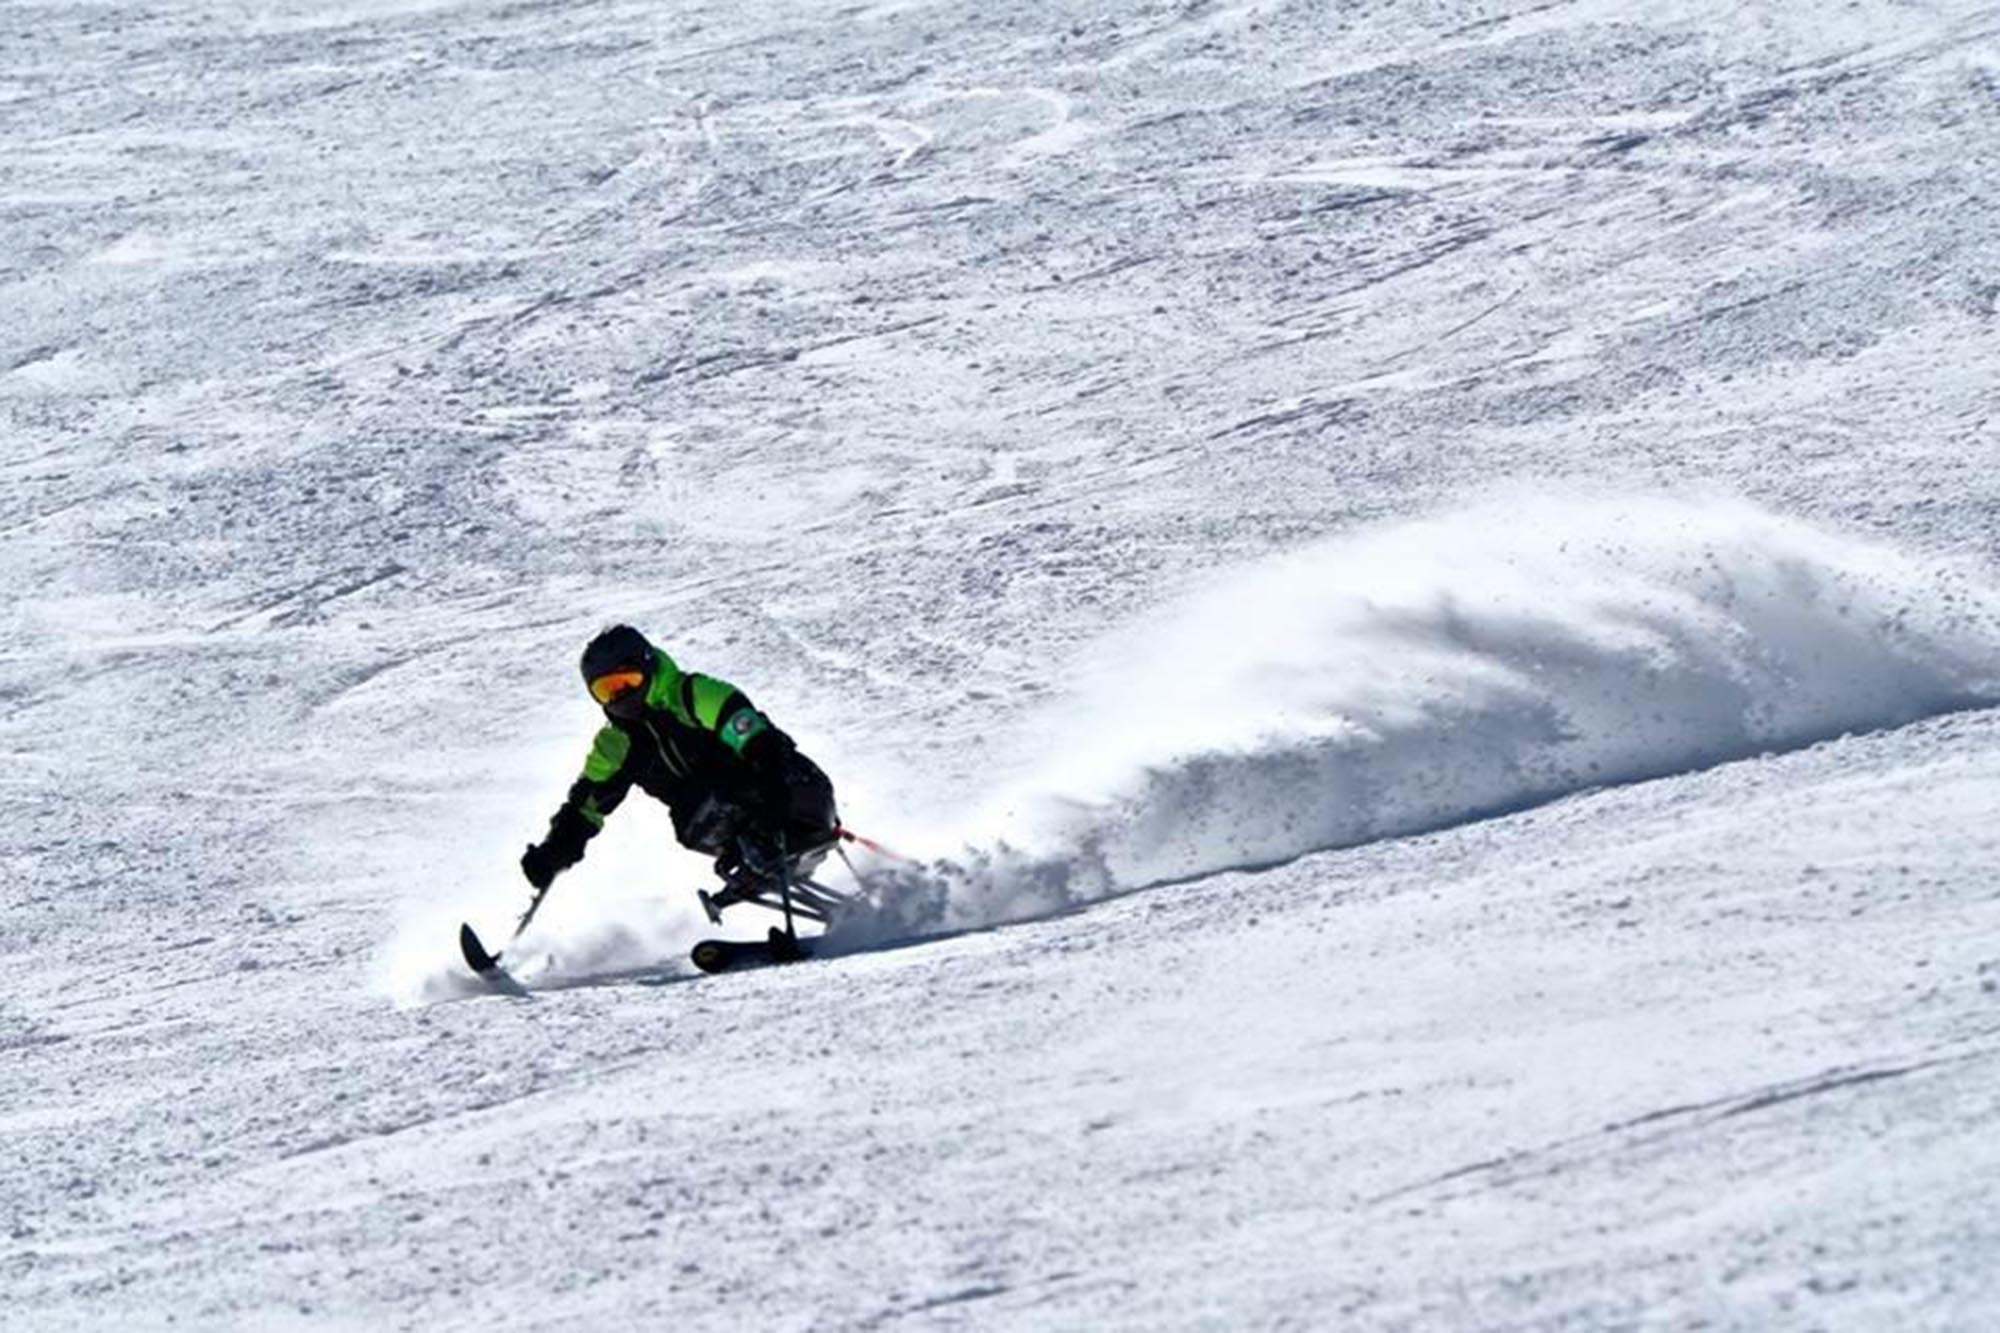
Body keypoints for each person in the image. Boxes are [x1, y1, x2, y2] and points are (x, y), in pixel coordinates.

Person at [520, 624, 839, 915]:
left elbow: (758, 741)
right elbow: (587, 804)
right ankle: (755, 862)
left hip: (793, 792)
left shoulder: (692, 695)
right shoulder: (617, 744)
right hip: (738, 829)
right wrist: (556, 849)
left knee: (720, 795)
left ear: (647, 668)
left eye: (627, 682)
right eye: (607, 690)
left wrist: (774, 795)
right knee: (692, 823)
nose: (621, 696)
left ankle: (763, 851)